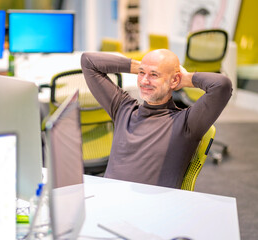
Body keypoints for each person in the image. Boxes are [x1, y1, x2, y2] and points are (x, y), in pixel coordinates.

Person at [80, 49, 232, 188]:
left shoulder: (186, 123)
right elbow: (88, 61)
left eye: (154, 75)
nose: (144, 81)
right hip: (109, 203)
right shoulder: (123, 109)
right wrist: (142, 67)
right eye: (141, 74)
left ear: (174, 80)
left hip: (151, 211)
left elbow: (222, 85)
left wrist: (184, 78)